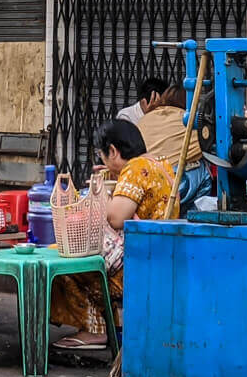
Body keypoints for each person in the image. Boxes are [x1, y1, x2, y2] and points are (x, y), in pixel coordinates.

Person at [51, 119, 177, 351]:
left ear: (113, 151)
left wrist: (101, 191)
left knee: (62, 268)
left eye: (103, 156)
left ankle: (93, 330)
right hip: (160, 258)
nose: (104, 163)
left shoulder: (136, 169)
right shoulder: (161, 164)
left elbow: (116, 218)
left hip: (137, 265)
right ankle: (107, 325)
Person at [136, 85, 212, 215]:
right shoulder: (190, 122)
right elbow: (212, 141)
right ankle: (192, 213)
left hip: (142, 183)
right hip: (174, 186)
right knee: (202, 170)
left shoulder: (144, 119)